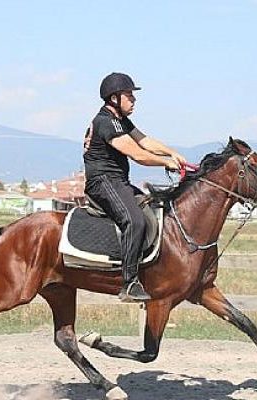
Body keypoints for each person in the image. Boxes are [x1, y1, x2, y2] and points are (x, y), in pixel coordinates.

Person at [83, 72, 187, 302]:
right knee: (135, 220)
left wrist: (172, 153)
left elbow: (145, 141)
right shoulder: (106, 122)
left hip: (118, 182)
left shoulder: (120, 120)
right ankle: (128, 283)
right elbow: (137, 154)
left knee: (153, 211)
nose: (133, 99)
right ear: (114, 98)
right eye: (128, 95)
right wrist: (164, 162)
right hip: (103, 181)